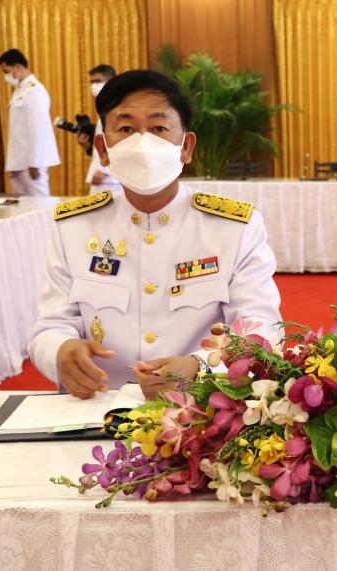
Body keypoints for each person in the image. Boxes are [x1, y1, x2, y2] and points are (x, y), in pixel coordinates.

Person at [29, 70, 283, 399]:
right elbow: (49, 327)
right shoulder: (73, 228)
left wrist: (200, 367)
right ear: (103, 150)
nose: (143, 143)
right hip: (98, 405)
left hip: (200, 405)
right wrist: (60, 351)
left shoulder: (234, 228)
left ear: (186, 147)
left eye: (159, 128)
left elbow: (260, 327)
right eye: (126, 129)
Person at [0, 48, 60, 196]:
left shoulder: (35, 90)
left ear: (18, 67)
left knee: (40, 203)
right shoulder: (20, 90)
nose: (6, 76)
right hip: (19, 162)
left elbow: (38, 129)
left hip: (31, 163)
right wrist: (13, 163)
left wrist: (34, 163)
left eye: (6, 71)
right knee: (21, 205)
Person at [77, 64, 122, 195]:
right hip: (102, 174)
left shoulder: (116, 106)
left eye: (97, 81)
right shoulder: (104, 106)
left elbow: (120, 140)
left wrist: (104, 170)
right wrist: (88, 146)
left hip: (110, 177)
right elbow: (103, 141)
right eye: (91, 82)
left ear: (111, 82)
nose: (93, 86)